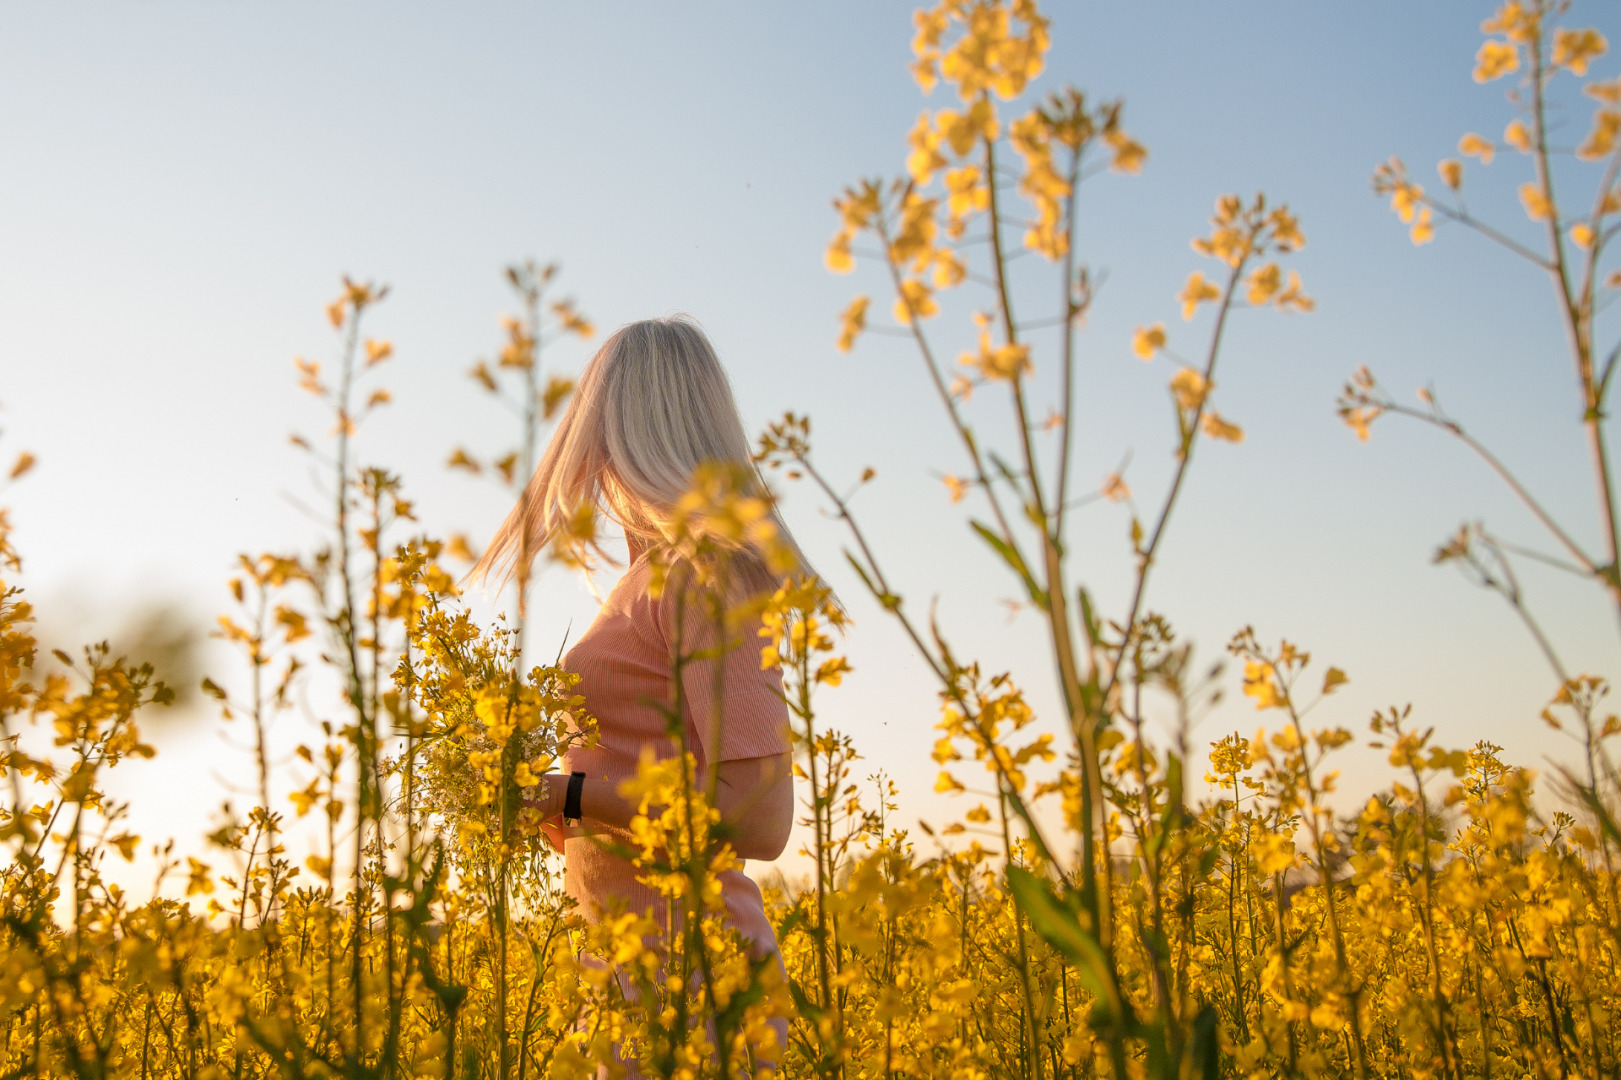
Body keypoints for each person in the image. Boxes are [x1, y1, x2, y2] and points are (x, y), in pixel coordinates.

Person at [470, 315, 803, 1074]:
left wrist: (573, 796)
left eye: (595, 434)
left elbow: (760, 813)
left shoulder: (707, 571)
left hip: (695, 981)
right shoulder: (650, 579)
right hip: (633, 973)